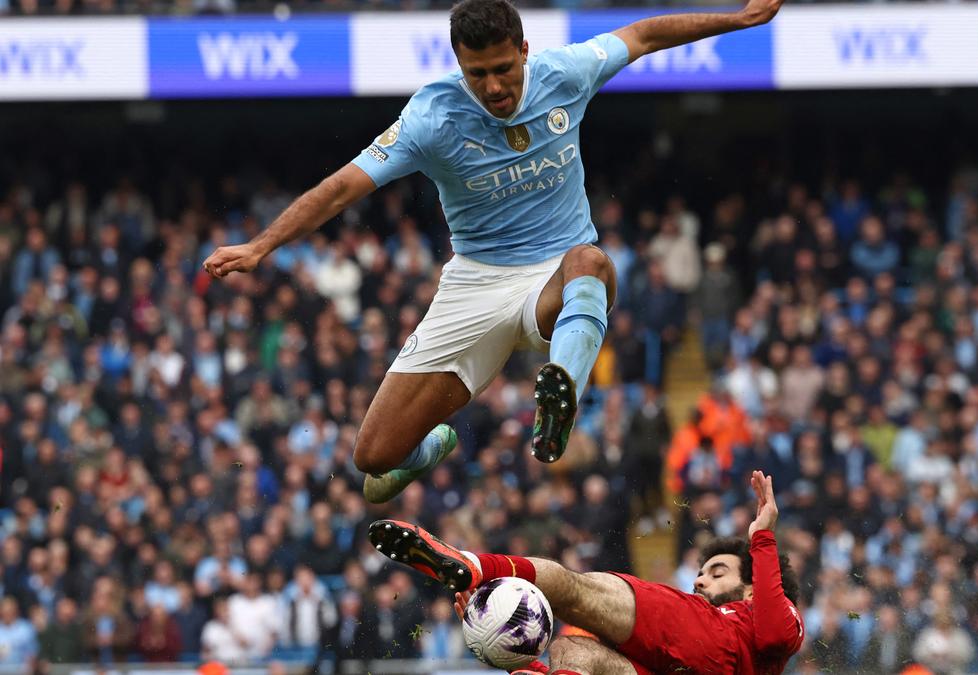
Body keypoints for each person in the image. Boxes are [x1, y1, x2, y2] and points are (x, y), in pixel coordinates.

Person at [201, 0, 785, 504]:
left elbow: (644, 35)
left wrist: (739, 18)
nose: (495, 87)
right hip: (475, 284)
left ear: (525, 50)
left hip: (556, 277)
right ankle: (435, 443)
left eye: (503, 69)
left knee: (591, 261)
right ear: (460, 65)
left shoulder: (566, 73)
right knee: (374, 459)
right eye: (477, 74)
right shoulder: (432, 117)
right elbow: (342, 189)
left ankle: (561, 397)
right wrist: (261, 245)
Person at [370, 471, 803, 674]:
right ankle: (478, 575)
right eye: (702, 572)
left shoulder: (770, 618)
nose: (699, 579)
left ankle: (477, 565)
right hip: (663, 667)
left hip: (702, 640)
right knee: (572, 652)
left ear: (752, 588)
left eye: (717, 572)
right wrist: (498, 643)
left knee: (572, 588)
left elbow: (775, 633)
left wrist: (762, 538)